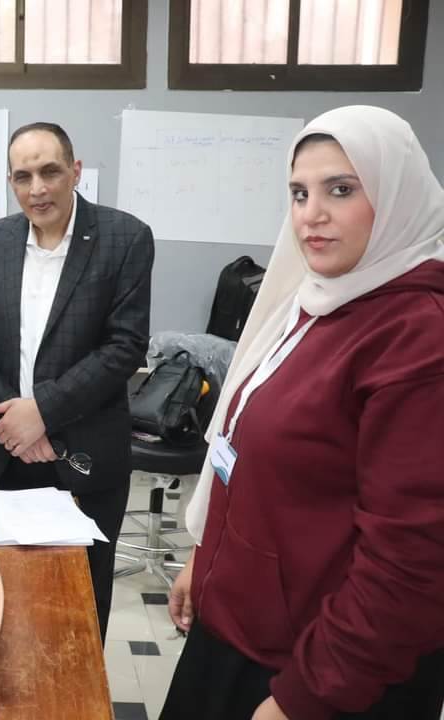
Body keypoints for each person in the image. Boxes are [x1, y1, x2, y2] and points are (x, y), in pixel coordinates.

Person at [161, 106, 444, 720]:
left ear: (397, 196)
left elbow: (411, 565)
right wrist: (208, 563)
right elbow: (253, 460)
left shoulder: (418, 339)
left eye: (341, 190)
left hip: (320, 670)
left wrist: (304, 698)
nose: (311, 213)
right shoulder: (315, 301)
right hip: (242, 628)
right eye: (299, 193)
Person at [0, 122, 154, 643]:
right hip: (3, 452)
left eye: (50, 172)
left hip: (84, 458)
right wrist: (14, 421)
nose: (37, 189)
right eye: (23, 177)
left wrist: (41, 412)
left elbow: (125, 346)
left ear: (75, 171)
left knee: (78, 608)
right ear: (10, 182)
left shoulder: (125, 238)